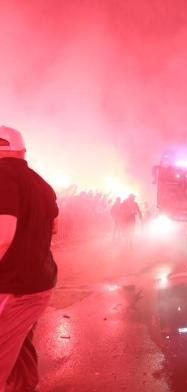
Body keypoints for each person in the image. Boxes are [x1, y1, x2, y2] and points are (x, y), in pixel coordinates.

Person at [0, 126, 59, 391]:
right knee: (18, 343)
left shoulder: (2, 176)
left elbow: (3, 235)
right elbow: (56, 228)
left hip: (12, 287)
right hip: (39, 284)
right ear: (22, 151)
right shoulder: (42, 184)